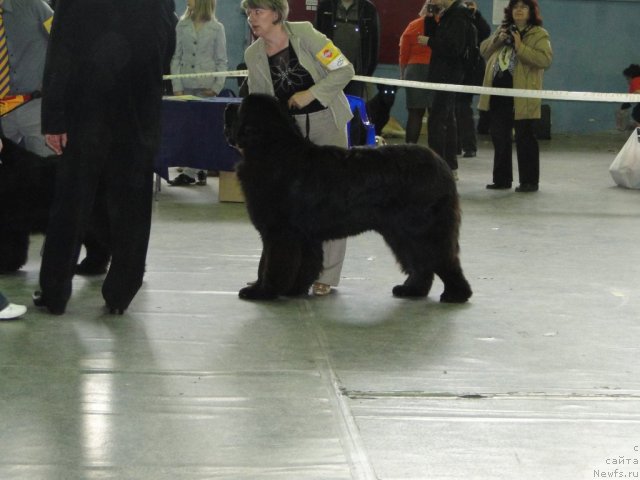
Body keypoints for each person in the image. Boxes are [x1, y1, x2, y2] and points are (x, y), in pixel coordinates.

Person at [34, 0, 176, 315]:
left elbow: (59, 54)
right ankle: (121, 293)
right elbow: (166, 49)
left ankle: (54, 291)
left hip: (85, 112)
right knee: (133, 207)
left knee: (71, 203)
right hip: (138, 112)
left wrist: (54, 119)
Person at [240, 0, 355, 296]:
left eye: (258, 11)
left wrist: (311, 93)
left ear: (276, 14)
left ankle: (327, 275)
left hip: (326, 123)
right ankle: (287, 272)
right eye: (249, 12)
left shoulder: (306, 34)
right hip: (287, 139)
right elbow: (261, 104)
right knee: (285, 208)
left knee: (331, 201)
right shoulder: (253, 55)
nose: (252, 18)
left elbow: (344, 70)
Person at [478, 0, 552, 193]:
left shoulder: (538, 34)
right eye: (515, 7)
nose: (519, 10)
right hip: (498, 94)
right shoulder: (502, 30)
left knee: (525, 137)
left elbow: (544, 59)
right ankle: (501, 179)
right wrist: (498, 39)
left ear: (531, 12)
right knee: (499, 137)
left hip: (523, 95)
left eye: (523, 7)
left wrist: (520, 47)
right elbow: (483, 50)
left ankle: (529, 181)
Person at [169, 0, 228, 187]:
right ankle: (199, 169)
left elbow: (222, 60)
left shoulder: (217, 28)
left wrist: (217, 87)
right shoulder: (181, 25)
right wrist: (176, 85)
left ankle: (191, 172)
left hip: (206, 88)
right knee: (187, 129)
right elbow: (175, 57)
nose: (188, 1)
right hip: (185, 86)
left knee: (201, 130)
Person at [423, 0, 475, 180]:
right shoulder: (449, 15)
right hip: (442, 74)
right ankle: (449, 166)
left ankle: (438, 168)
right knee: (447, 119)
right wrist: (429, 17)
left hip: (448, 74)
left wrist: (429, 41)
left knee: (438, 121)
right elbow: (435, 35)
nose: (433, 1)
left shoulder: (458, 16)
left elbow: (454, 48)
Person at [0, 0, 53, 157]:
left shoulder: (34, 6)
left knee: (47, 171)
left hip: (37, 108)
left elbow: (64, 42)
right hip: (3, 114)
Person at [315, 0, 378, 99]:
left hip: (356, 76)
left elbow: (374, 44)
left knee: (352, 110)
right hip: (328, 74)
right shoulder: (325, 6)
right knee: (328, 110)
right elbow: (316, 39)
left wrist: (367, 72)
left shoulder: (368, 9)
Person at [455, 0, 490, 158]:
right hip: (454, 69)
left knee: (462, 107)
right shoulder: (451, 18)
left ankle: (468, 146)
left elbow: (485, 33)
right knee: (455, 109)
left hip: (469, 71)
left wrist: (476, 14)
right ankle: (456, 145)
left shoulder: (475, 20)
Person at [399, 1, 433, 144]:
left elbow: (403, 54)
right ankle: (437, 151)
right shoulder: (443, 26)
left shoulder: (413, 26)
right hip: (434, 69)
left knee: (415, 113)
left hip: (414, 71)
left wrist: (402, 73)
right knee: (436, 114)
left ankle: (409, 148)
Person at [617, 64, 640, 131]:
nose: (628, 82)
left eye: (627, 79)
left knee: (636, 113)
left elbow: (637, 93)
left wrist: (622, 108)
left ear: (630, 77)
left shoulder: (635, 81)